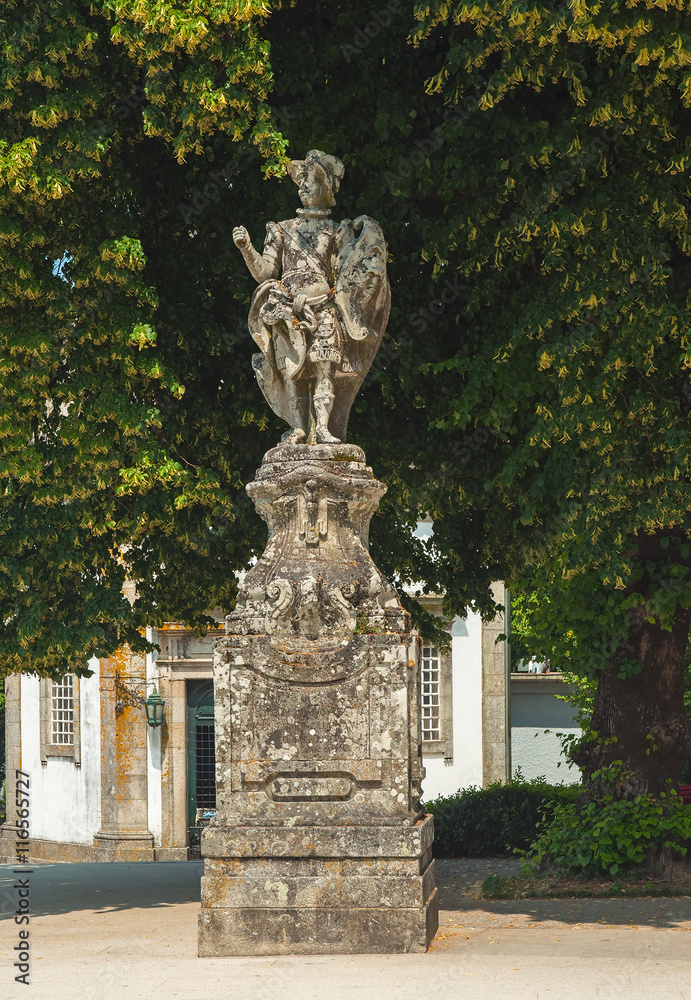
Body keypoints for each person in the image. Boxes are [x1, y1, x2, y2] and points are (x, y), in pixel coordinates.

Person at [233, 149, 389, 444]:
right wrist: (246, 248)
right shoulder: (281, 229)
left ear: (326, 187)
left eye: (310, 180)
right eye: (300, 180)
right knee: (293, 371)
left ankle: (323, 429)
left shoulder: (336, 230)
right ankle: (299, 427)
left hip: (325, 310)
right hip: (287, 311)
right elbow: (266, 272)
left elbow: (346, 272)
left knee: (323, 368)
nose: (303, 186)